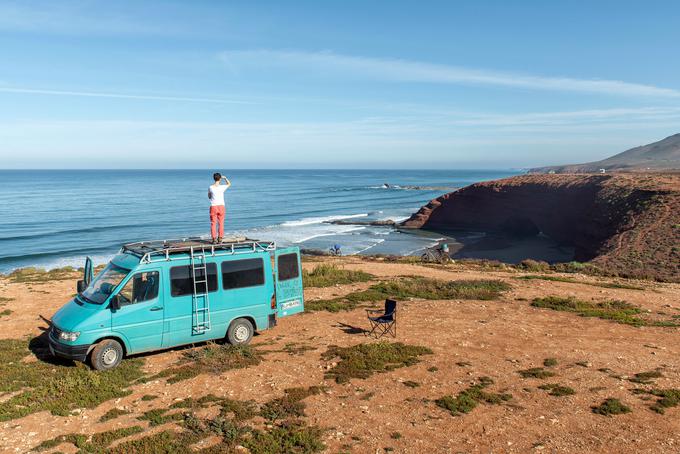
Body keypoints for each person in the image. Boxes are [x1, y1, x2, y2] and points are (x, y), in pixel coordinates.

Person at [208, 172, 231, 243]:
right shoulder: (222, 187)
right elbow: (229, 184)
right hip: (221, 206)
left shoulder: (210, 187)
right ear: (220, 179)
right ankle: (220, 238)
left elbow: (209, 196)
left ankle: (214, 239)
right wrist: (225, 178)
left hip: (213, 206)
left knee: (213, 223)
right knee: (221, 223)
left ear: (213, 178)